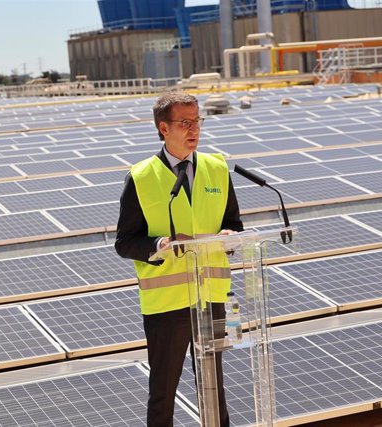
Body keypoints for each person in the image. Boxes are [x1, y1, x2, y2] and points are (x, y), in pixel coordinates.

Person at [115, 91, 243, 427]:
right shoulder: (142, 177)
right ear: (163, 128)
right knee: (163, 393)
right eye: (183, 122)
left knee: (213, 389)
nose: (193, 129)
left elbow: (233, 224)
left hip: (212, 298)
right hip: (166, 303)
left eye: (196, 120)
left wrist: (231, 237)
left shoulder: (217, 168)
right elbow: (125, 242)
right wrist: (160, 244)